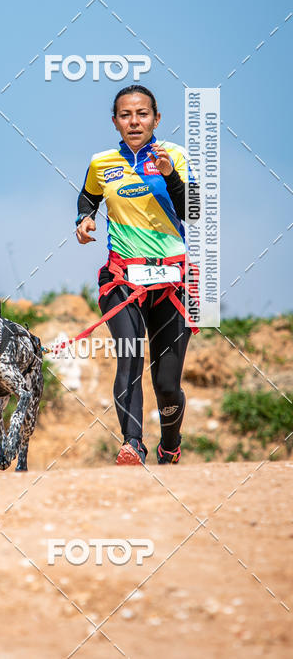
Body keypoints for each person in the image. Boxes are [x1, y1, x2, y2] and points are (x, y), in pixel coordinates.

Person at [75, 85, 198, 466]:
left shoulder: (174, 155)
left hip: (173, 280)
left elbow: (194, 212)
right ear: (115, 121)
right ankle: (133, 443)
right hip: (123, 277)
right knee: (129, 355)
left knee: (166, 383)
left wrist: (170, 176)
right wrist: (84, 218)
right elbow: (88, 196)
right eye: (126, 115)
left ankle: (170, 445)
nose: (134, 121)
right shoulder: (101, 162)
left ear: (156, 119)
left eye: (142, 114)